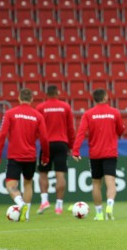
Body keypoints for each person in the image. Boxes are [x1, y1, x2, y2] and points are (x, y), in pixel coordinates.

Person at [0, 88, 50, 222]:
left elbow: (2, 135)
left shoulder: (10, 113)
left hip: (15, 156)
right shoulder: (37, 116)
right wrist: (45, 156)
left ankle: (21, 204)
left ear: (19, 98)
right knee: (28, 184)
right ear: (31, 100)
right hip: (30, 156)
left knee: (10, 186)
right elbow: (44, 139)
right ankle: (27, 214)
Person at [72, 89, 125, 221]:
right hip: (110, 153)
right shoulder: (114, 112)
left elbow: (81, 132)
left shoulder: (88, 114)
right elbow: (120, 130)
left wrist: (76, 150)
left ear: (94, 99)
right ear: (106, 97)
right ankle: (110, 206)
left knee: (96, 183)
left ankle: (99, 213)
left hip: (95, 154)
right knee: (111, 182)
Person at [35, 85, 76, 215]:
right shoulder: (65, 107)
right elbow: (70, 128)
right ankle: (59, 206)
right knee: (60, 175)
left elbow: (36, 128)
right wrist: (71, 146)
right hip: (61, 143)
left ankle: (44, 201)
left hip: (46, 144)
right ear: (57, 93)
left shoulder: (40, 107)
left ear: (46, 94)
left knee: (43, 174)